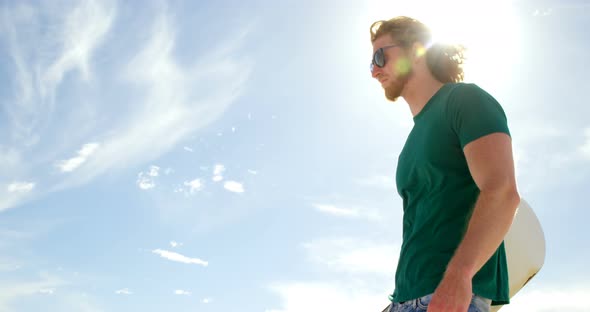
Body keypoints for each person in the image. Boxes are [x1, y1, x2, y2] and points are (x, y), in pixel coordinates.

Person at [369, 17, 520, 312]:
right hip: (405, 301)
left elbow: (502, 192)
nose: (374, 70)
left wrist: (458, 277)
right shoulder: (412, 140)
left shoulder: (465, 100)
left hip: (448, 298)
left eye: (380, 56)